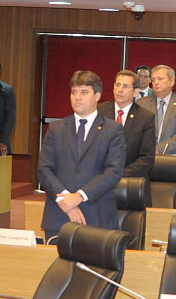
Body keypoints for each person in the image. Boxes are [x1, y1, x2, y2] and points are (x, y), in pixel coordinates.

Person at [38, 71, 126, 243]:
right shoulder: (56, 128)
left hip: (96, 215)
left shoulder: (112, 130)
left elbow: (113, 172)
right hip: (59, 215)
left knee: (94, 269)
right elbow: (44, 169)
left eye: (84, 92)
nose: (77, 97)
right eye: (74, 92)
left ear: (97, 96)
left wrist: (79, 196)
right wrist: (66, 201)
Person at [98, 70, 156, 177]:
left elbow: (146, 158)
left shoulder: (145, 117)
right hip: (97, 177)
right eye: (118, 85)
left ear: (136, 92)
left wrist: (118, 175)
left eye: (125, 86)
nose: (120, 90)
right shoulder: (98, 111)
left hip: (128, 179)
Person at [137, 65, 176, 155]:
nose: (156, 82)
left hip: (172, 157)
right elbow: (137, 131)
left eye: (160, 79)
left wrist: (158, 150)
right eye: (153, 80)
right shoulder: (141, 103)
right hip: (145, 155)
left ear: (172, 82)